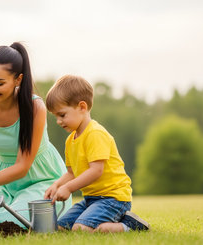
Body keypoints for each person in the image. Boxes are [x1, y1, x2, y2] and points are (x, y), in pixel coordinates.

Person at [0, 42, 71, 232]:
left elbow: (22, 167)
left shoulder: (35, 108)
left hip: (42, 179)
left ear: (18, 80)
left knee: (14, 220)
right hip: (3, 181)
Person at [43, 74, 150, 232]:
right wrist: (57, 184)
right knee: (60, 227)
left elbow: (96, 171)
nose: (58, 121)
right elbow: (72, 173)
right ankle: (108, 220)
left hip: (113, 198)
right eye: (55, 116)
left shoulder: (95, 134)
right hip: (91, 199)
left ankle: (129, 226)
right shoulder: (70, 140)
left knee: (80, 229)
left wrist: (69, 188)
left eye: (62, 115)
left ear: (82, 107)